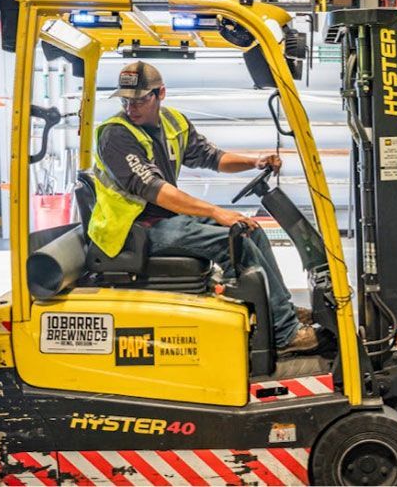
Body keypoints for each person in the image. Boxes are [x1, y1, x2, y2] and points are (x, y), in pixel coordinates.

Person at [88, 61, 316, 355]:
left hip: (161, 219)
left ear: (161, 94)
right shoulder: (116, 135)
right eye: (126, 100)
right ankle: (284, 333)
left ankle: (280, 311)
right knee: (234, 242)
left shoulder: (173, 123)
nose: (131, 107)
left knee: (252, 231)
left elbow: (212, 157)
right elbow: (154, 189)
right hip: (131, 231)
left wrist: (254, 161)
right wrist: (214, 212)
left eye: (140, 99)